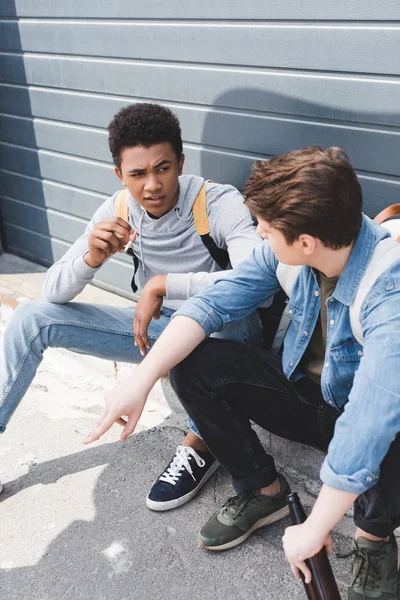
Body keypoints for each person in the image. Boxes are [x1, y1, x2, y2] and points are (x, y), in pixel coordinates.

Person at [86, 146, 400, 600]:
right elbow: (215, 301)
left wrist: (314, 528)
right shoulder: (293, 251)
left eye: (267, 230)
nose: (258, 235)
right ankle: (263, 490)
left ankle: (375, 542)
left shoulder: (388, 292)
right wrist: (141, 380)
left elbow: (369, 422)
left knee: (387, 423)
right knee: (194, 363)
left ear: (306, 241)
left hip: (378, 417)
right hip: (314, 396)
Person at [0, 103, 263, 506]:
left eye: (163, 168)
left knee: (235, 314)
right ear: (120, 175)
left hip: (218, 329)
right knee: (30, 317)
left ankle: (200, 443)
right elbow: (52, 290)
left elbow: (255, 280)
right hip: (156, 330)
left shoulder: (216, 201)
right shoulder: (119, 208)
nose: (152, 185)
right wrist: (90, 258)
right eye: (138, 174)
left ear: (180, 162)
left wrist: (163, 285)